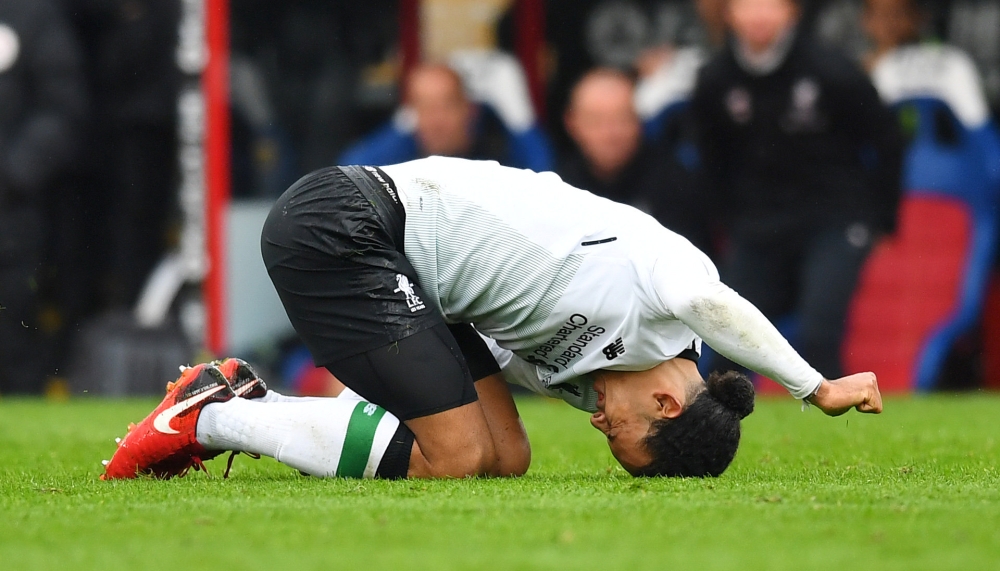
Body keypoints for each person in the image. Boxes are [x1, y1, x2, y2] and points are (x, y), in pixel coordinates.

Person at [103, 157, 883, 481]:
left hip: (411, 278)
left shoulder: (594, 378)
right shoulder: (670, 286)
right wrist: (815, 386)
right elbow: (718, 305)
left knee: (504, 456)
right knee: (455, 453)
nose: (598, 424)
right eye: (619, 432)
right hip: (345, 223)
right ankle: (217, 415)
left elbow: (435, 361)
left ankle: (245, 402)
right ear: (668, 401)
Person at [690, 0, 904, 380]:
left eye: (770, 4)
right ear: (728, 12)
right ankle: (716, 436)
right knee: (730, 340)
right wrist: (728, 224)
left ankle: (838, 435)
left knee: (819, 335)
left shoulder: (831, 69)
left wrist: (882, 220)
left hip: (833, 218)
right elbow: (711, 162)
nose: (758, 14)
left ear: (792, 10)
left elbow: (888, 138)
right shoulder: (714, 79)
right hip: (758, 226)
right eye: (746, 4)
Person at [0, 0, 87, 394]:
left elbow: (63, 108)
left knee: (13, 322)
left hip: (10, 209)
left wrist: (13, 174)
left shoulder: (30, 15)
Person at [558, 68, 709, 253]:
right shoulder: (557, 193)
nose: (610, 134)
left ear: (639, 121)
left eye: (622, 118)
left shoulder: (674, 181)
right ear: (571, 123)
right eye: (596, 121)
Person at [340, 55, 552, 173]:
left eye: (446, 106)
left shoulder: (498, 150)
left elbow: (546, 176)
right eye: (424, 108)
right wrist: (399, 128)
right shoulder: (404, 156)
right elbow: (350, 173)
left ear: (469, 110)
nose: (436, 121)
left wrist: (521, 122)